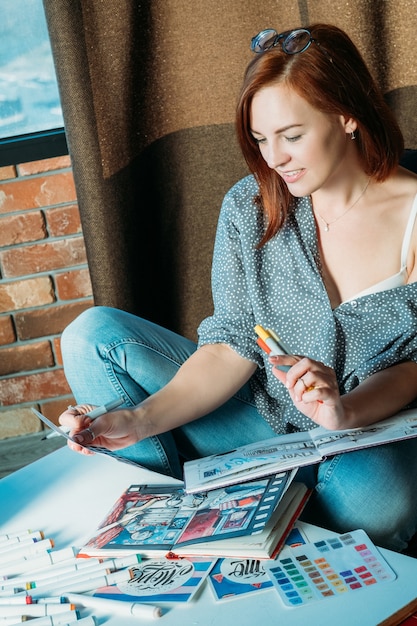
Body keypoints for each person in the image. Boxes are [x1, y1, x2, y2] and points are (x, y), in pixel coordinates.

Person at [59, 23, 417, 552]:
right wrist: (138, 419)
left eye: (291, 136)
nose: (274, 158)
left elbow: (413, 370)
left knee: (383, 498)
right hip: (258, 427)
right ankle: (202, 508)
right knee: (90, 336)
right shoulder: (249, 206)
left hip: (363, 438)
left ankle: (253, 506)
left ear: (346, 115)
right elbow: (232, 346)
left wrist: (343, 411)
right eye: (260, 138)